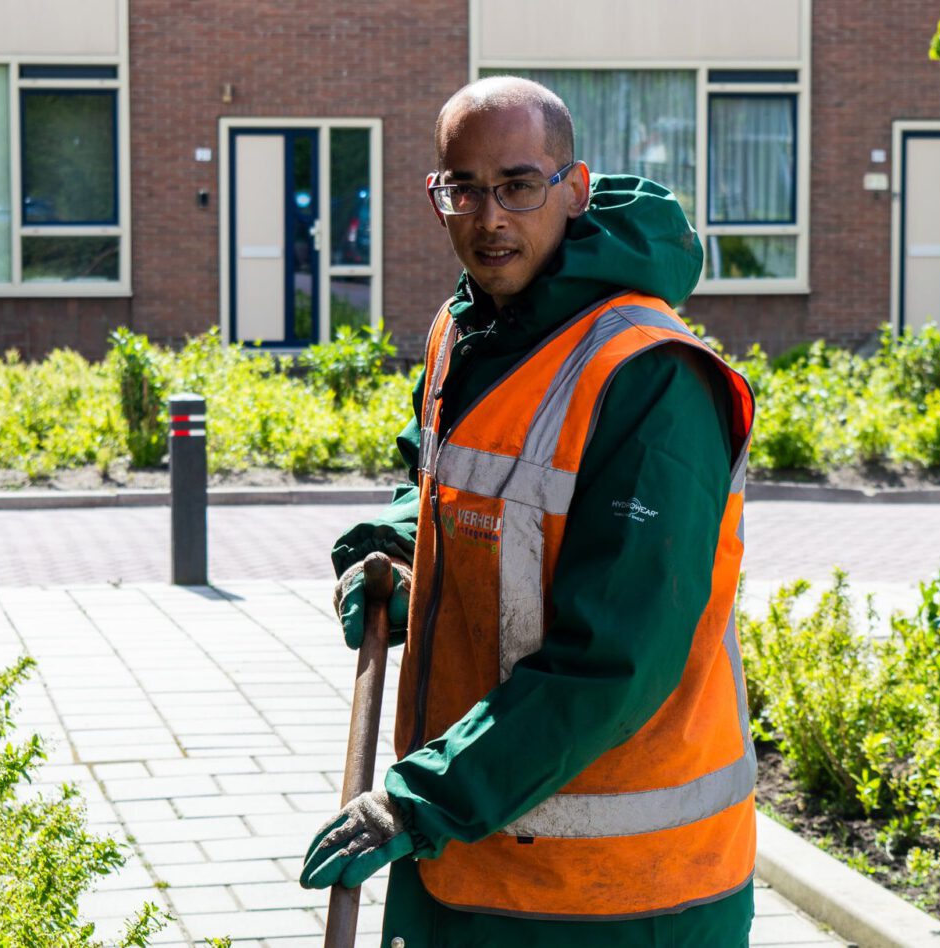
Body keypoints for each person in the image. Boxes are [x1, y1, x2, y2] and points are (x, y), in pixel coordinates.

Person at [300, 76, 758, 947]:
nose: (488, 218)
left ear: (573, 189)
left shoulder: (650, 377)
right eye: (461, 189)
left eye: (517, 184)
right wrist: (394, 549)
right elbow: (441, 480)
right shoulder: (468, 329)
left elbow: (616, 659)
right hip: (477, 856)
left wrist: (422, 798)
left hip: (625, 897)